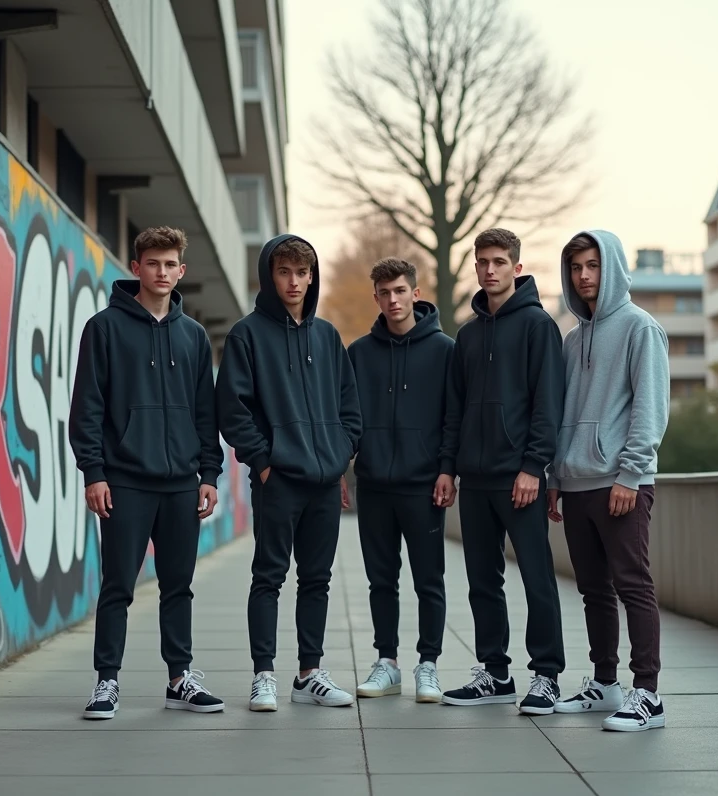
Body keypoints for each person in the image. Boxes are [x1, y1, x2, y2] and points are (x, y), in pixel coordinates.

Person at [69, 226, 225, 719]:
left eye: (170, 264)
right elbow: (87, 407)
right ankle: (106, 682)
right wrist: (94, 472)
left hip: (181, 482)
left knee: (178, 584)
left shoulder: (194, 336)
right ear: (135, 268)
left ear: (181, 270)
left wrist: (209, 474)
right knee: (118, 583)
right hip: (124, 481)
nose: (161, 272)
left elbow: (206, 413)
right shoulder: (104, 328)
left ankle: (179, 679)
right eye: (152, 263)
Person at [216, 233, 363, 712]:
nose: (295, 282)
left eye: (303, 273)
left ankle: (309, 673)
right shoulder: (247, 334)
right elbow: (233, 409)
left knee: (316, 579)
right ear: (269, 276)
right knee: (269, 577)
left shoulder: (326, 336)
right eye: (285, 272)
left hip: (323, 482)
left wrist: (339, 457)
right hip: (278, 480)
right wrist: (262, 463)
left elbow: (349, 409)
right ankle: (264, 675)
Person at [436, 228, 567, 715]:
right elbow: (454, 409)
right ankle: (494, 672)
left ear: (516, 267)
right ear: (475, 267)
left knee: (537, 578)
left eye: (499, 261)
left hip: (521, 478)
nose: (489, 269)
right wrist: (449, 467)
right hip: (475, 479)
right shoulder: (467, 336)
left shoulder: (538, 326)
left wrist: (534, 466)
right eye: (482, 262)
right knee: (482, 580)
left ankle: (547, 674)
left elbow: (547, 405)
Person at [547, 230, 670, 732]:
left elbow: (651, 408)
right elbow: (561, 414)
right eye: (576, 267)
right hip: (576, 484)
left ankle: (648, 695)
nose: (584, 276)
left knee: (633, 585)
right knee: (594, 591)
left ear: (612, 267)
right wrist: (556, 475)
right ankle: (605, 684)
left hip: (622, 483)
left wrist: (631, 473)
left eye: (593, 265)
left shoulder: (641, 328)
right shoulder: (572, 339)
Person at [345, 258, 454, 703]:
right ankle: (386, 662)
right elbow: (345, 419)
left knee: (429, 579)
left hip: (424, 483)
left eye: (400, 291)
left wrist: (448, 468)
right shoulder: (358, 353)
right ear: (376, 297)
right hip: (372, 483)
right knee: (380, 580)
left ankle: (428, 664)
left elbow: (453, 417)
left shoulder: (445, 350)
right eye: (384, 292)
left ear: (416, 292)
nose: (393, 300)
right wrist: (341, 467)